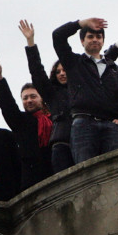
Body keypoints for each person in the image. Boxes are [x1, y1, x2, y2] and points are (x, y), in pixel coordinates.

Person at [50, 16, 118, 162]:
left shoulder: (115, 70)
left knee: (116, 169)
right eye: (90, 36)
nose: (95, 39)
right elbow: (57, 36)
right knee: (86, 171)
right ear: (82, 41)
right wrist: (80, 24)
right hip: (83, 123)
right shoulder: (73, 62)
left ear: (103, 41)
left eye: (98, 36)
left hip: (111, 126)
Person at [19, 20, 76, 174]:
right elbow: (37, 71)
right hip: (62, 142)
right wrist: (30, 43)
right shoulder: (52, 93)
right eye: (58, 71)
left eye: (65, 70)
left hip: (83, 139)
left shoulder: (81, 88)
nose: (62, 73)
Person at [0, 55, 54, 188]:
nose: (29, 100)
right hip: (32, 178)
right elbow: (7, 105)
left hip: (55, 169)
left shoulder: (54, 118)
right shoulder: (20, 121)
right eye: (25, 98)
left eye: (33, 96)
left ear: (42, 98)